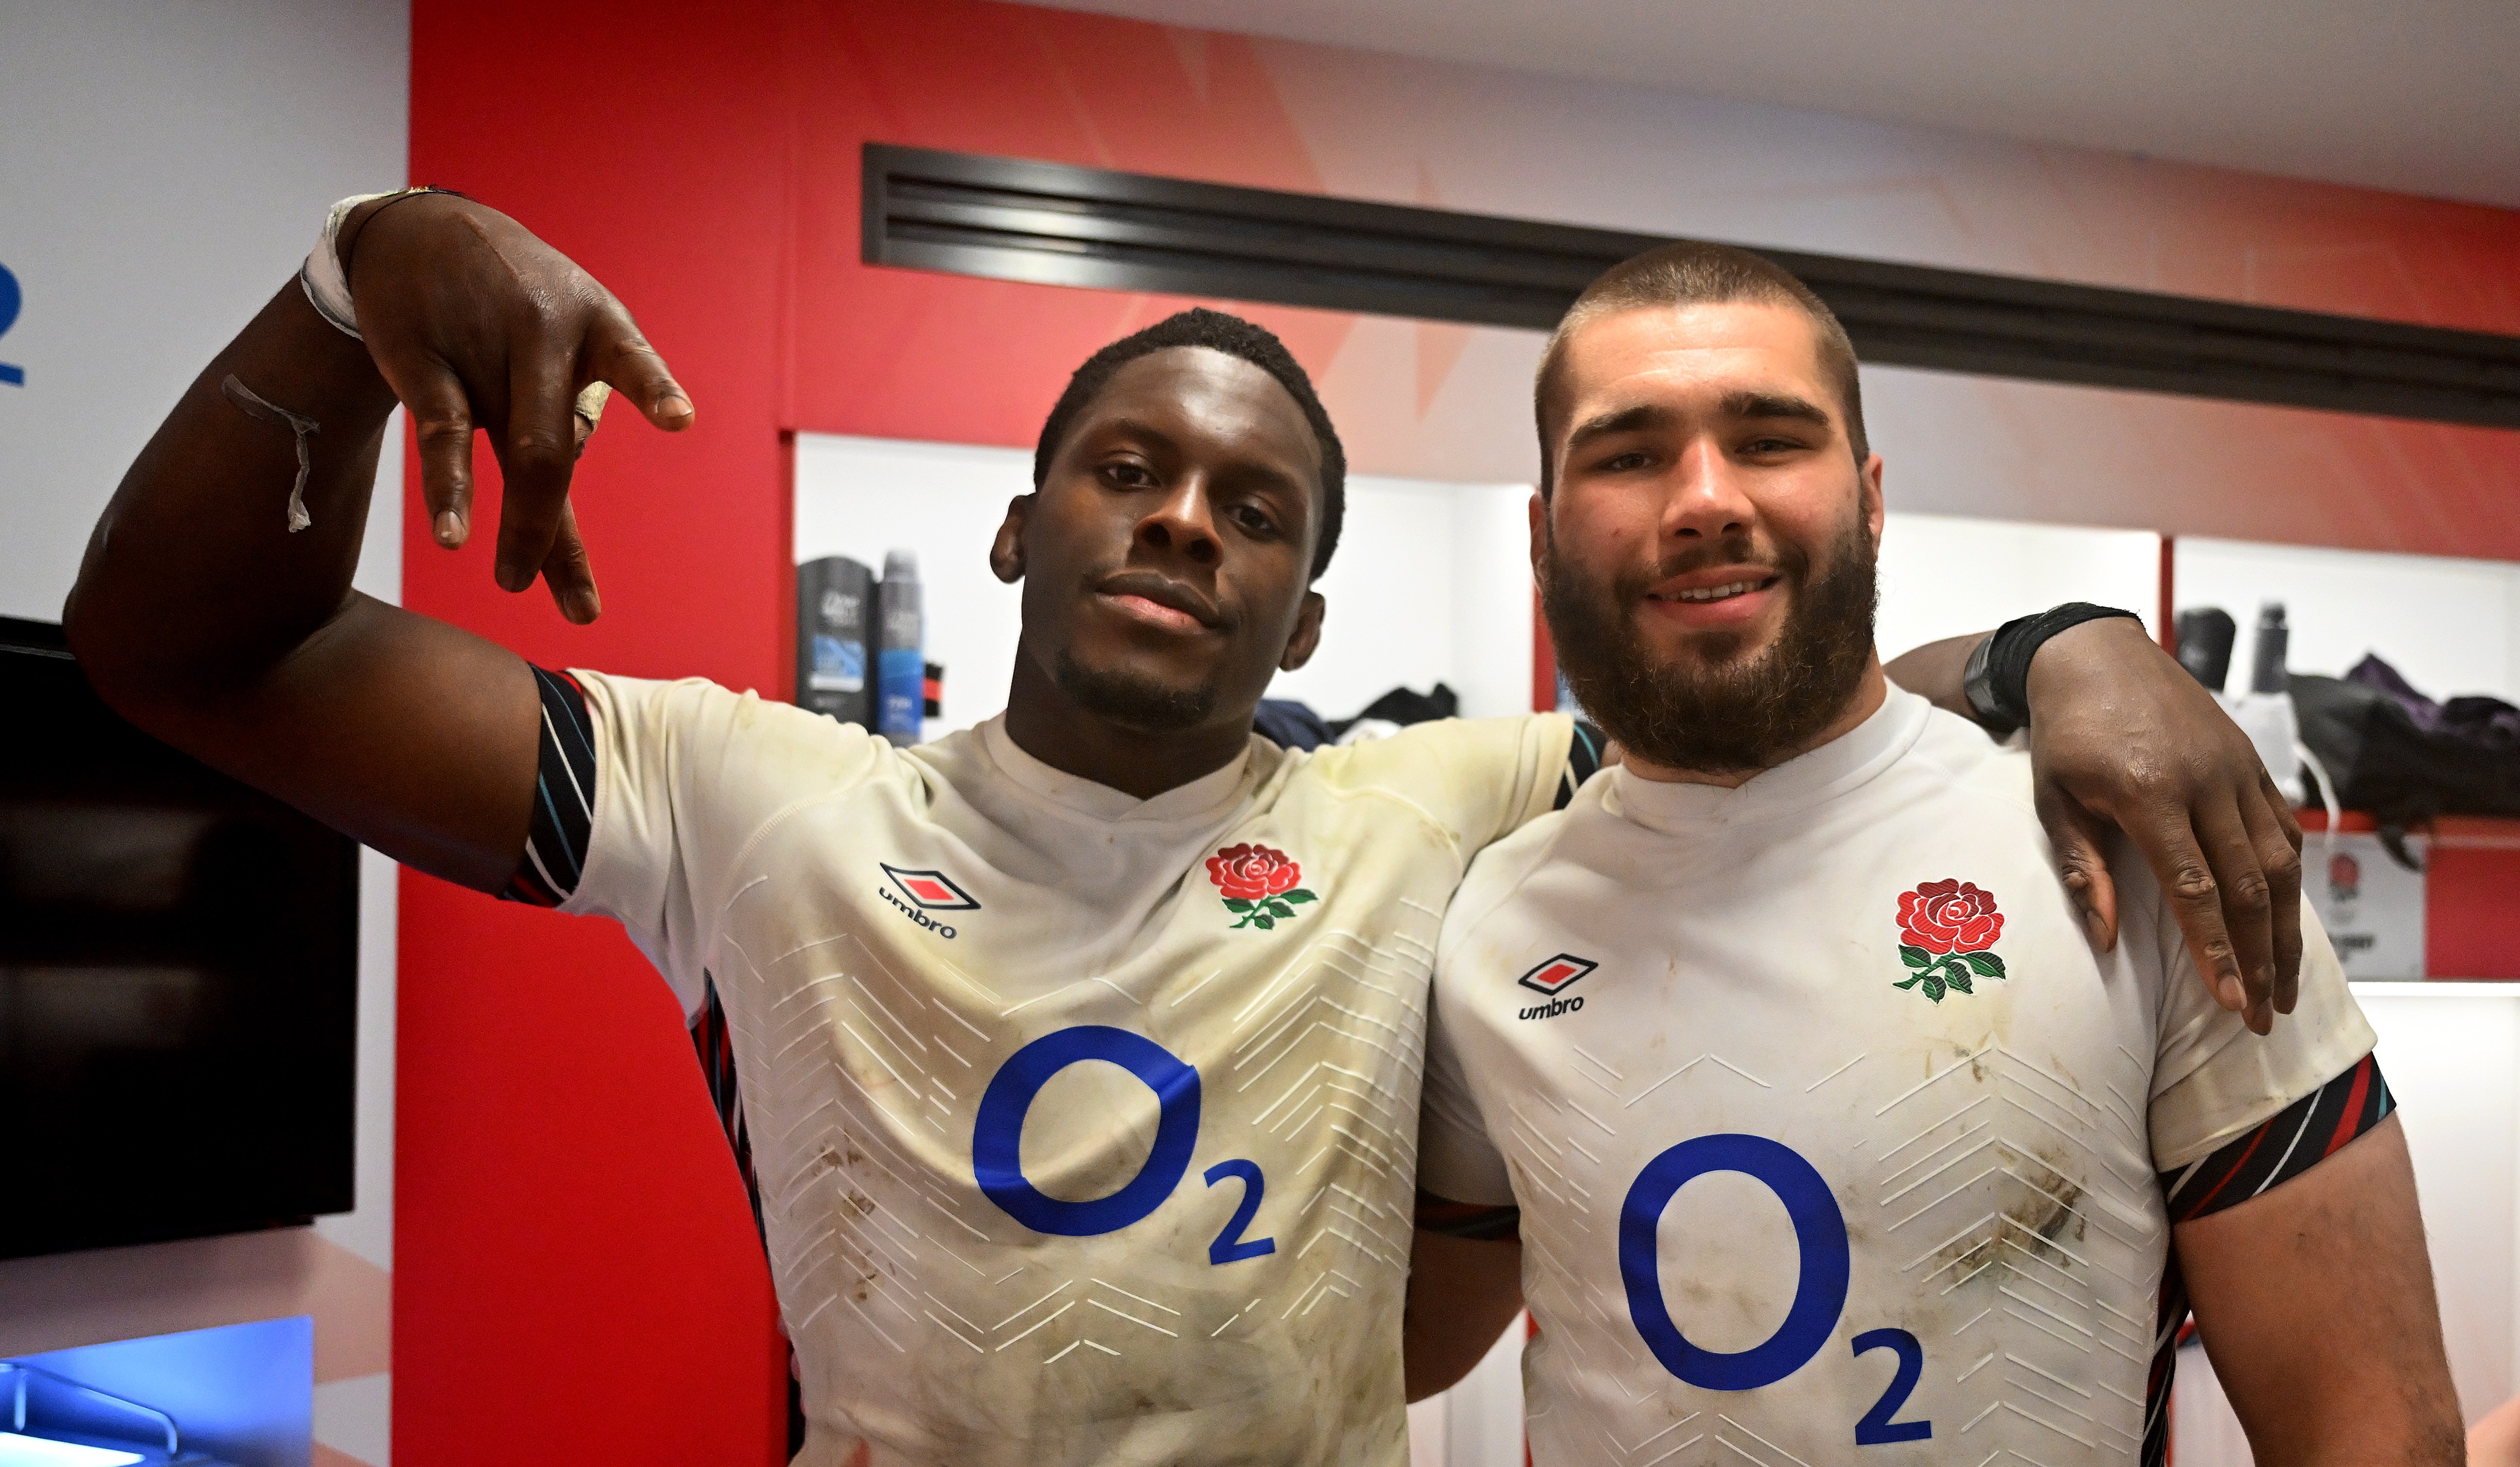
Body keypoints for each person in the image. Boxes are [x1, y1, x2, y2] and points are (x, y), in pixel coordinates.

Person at [68, 190, 2301, 1467]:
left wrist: (2065, 648)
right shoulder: (747, 792)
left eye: (1255, 508)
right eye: (1129, 470)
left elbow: (1785, 705)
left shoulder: (1438, 804)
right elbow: (184, 651)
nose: (1185, 521)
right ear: (1022, 528)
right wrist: (352, 294)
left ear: (1306, 602)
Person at [1405, 242, 2462, 1464]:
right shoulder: (1485, 920)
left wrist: (2059, 647)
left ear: (1869, 497)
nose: (1703, 498)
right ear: (1542, 535)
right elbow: (1399, 1343)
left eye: (1767, 439)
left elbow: (2373, 1429)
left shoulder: (2141, 852)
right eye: (1629, 453)